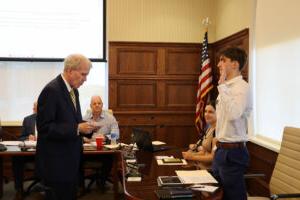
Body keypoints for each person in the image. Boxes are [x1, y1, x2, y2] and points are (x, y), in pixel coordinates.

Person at [36, 54, 98, 200]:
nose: (85, 79)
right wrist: (77, 128)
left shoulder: (73, 90)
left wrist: (88, 127)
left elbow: (72, 121)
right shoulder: (52, 90)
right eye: (83, 74)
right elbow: (45, 128)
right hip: (56, 164)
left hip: (70, 162)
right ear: (70, 70)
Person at [212, 47, 252, 200]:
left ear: (235, 64)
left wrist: (222, 87)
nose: (219, 64)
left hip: (233, 153)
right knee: (218, 195)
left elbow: (234, 114)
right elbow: (221, 121)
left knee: (233, 197)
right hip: (221, 150)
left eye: (223, 60)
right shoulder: (226, 88)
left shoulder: (241, 87)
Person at [81, 95, 119, 191]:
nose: (97, 105)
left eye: (99, 103)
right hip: (88, 151)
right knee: (76, 156)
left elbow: (116, 135)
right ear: (90, 106)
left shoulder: (110, 118)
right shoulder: (85, 118)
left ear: (102, 105)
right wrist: (87, 139)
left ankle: (102, 181)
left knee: (109, 157)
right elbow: (80, 135)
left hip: (104, 151)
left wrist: (106, 137)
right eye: (94, 104)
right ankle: (80, 185)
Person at [12, 102, 37, 200]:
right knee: (17, 156)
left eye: (35, 107)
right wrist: (28, 137)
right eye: (34, 107)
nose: (34, 109)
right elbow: (21, 137)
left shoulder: (51, 119)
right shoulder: (28, 120)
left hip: (47, 153)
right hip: (30, 153)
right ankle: (19, 189)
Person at [182, 100, 217, 168]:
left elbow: (213, 158)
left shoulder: (218, 131)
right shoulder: (209, 128)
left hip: (210, 172)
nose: (206, 114)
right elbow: (204, 152)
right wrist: (190, 155)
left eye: (210, 112)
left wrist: (192, 157)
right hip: (200, 166)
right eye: (205, 111)